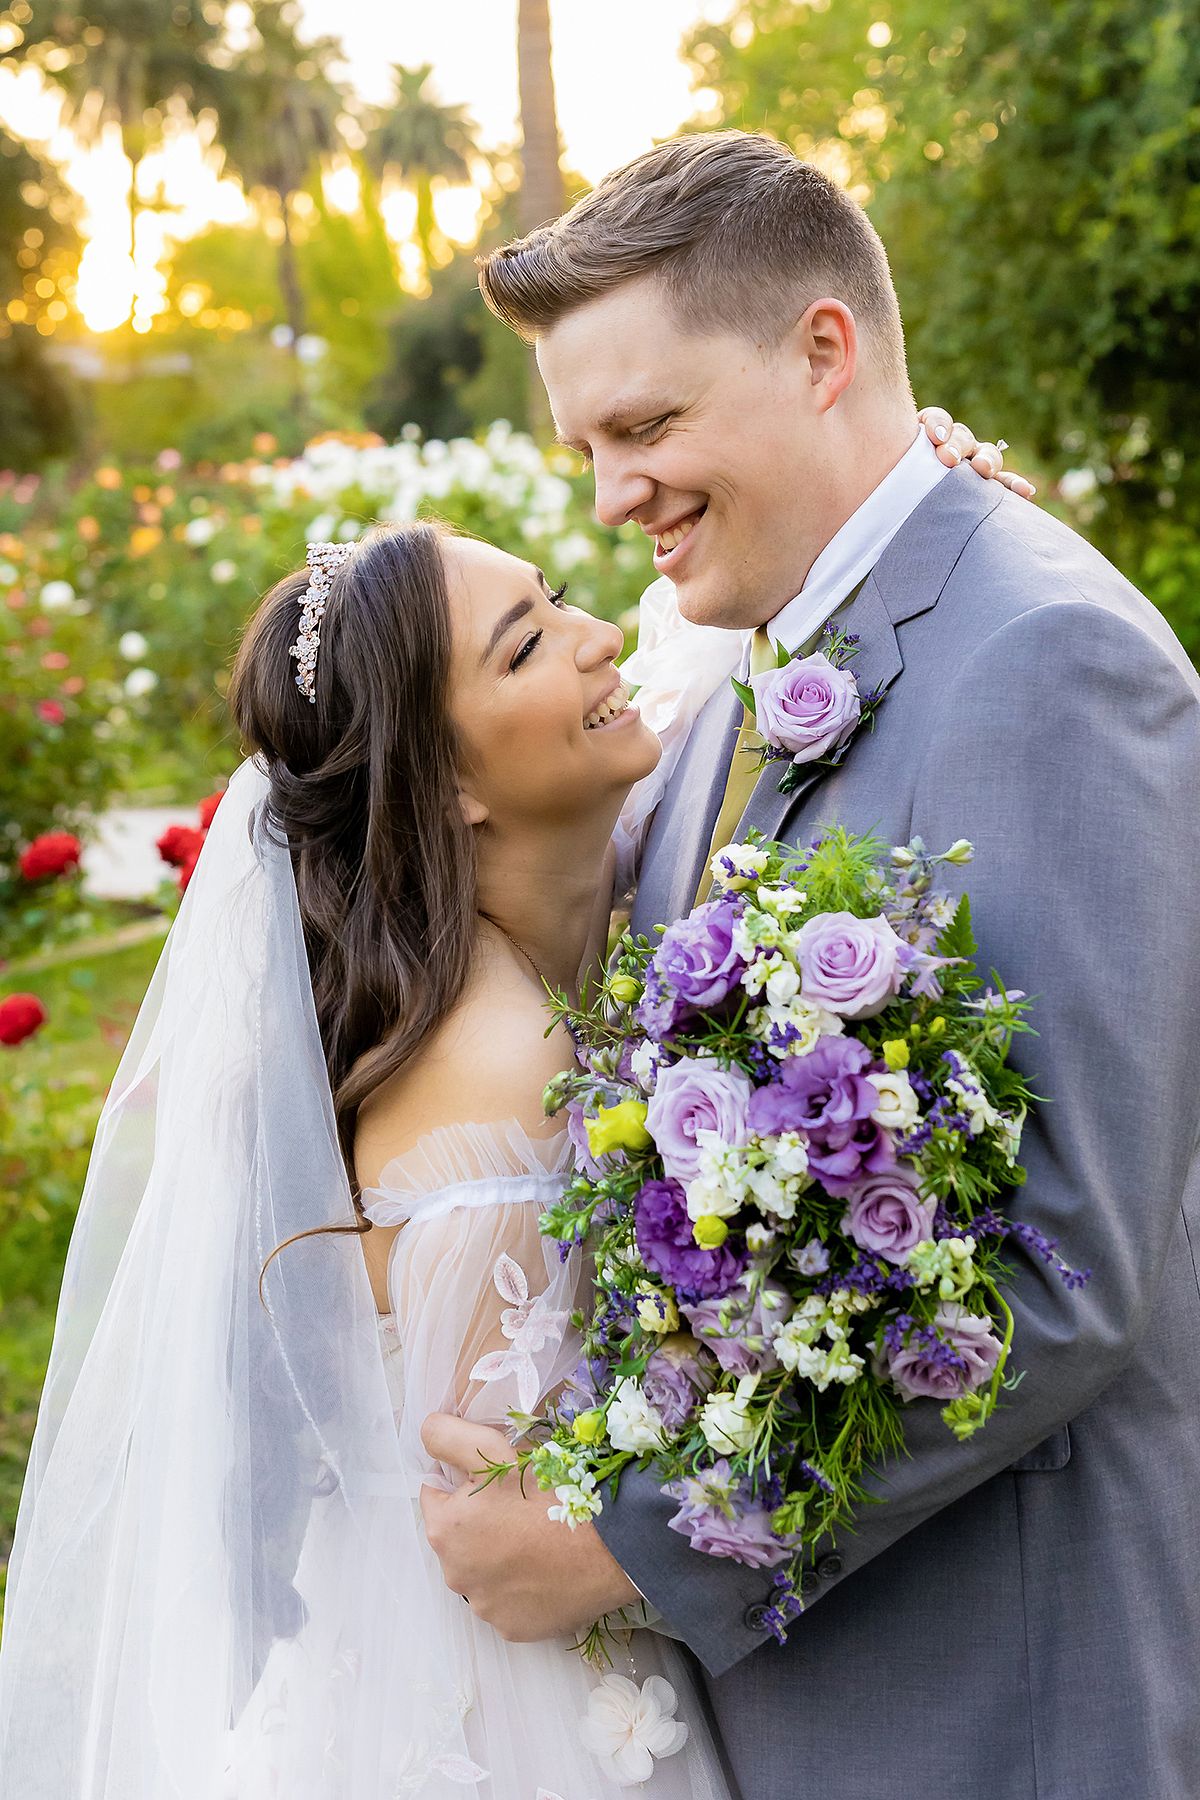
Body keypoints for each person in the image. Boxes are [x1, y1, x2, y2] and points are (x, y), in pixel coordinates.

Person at [0, 418, 1004, 1790]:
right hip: (526, 1722)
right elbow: (516, 1528)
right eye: (528, 646)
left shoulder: (575, 875)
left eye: (558, 597)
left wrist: (901, 479)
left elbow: (696, 640)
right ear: (452, 784)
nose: (601, 637)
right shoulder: (498, 1085)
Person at [416, 130, 1200, 1800]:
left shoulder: (1045, 655)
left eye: (647, 426)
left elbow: (1062, 1270)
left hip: (987, 1697)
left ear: (824, 352)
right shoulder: (749, 668)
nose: (611, 496)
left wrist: (621, 1546)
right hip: (803, 1693)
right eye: (588, 447)